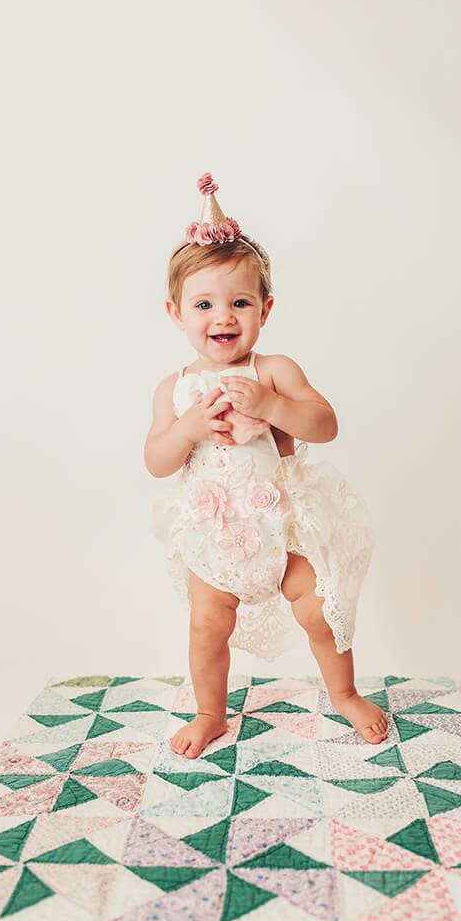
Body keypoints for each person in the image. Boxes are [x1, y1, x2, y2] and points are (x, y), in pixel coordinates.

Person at [143, 173, 383, 758]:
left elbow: (325, 425)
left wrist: (274, 405)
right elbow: (156, 460)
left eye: (239, 302)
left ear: (264, 309)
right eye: (203, 304)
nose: (222, 316)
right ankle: (209, 712)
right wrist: (190, 428)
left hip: (282, 531)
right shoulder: (175, 390)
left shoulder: (273, 370)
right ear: (176, 312)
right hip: (214, 535)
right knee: (206, 628)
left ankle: (346, 692)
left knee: (320, 611)